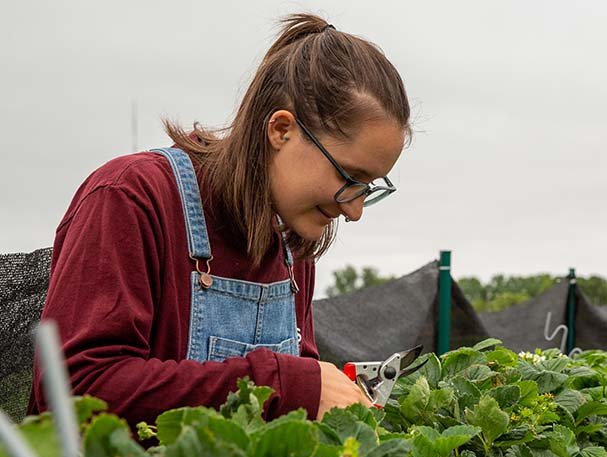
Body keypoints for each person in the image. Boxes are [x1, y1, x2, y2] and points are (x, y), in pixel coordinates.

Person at [29, 13, 410, 424]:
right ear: (281, 130)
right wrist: (283, 387)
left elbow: (296, 401)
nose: (353, 211)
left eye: (368, 187)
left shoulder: (292, 240)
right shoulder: (131, 198)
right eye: (349, 177)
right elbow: (72, 396)